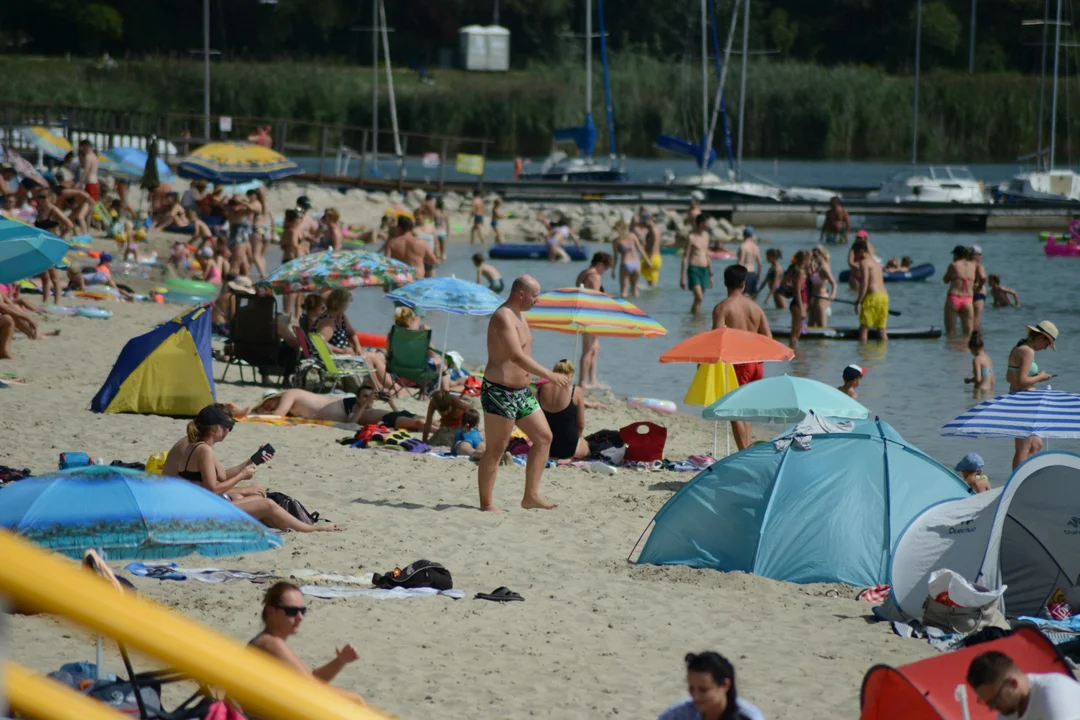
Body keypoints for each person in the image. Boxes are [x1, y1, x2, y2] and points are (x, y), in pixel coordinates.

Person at [161, 405, 337, 532]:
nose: (229, 432)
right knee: (267, 503)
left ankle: (288, 526)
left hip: (194, 507)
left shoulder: (196, 446)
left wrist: (254, 460)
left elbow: (221, 476)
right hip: (200, 513)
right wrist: (242, 477)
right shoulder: (204, 450)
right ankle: (311, 529)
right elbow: (212, 489)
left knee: (253, 495)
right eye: (227, 428)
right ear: (215, 429)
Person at [477, 276, 569, 512]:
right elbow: (516, 356)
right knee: (497, 448)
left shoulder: (521, 315)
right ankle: (486, 504)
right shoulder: (502, 316)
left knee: (544, 437)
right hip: (500, 391)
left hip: (521, 392)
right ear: (520, 294)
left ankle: (531, 496)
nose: (537, 300)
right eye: (534, 295)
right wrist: (549, 374)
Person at [249, 582, 366, 706]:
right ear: (271, 612)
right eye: (292, 611)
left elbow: (312, 678)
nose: (300, 617)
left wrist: (340, 660)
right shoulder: (270, 644)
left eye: (302, 611)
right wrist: (355, 700)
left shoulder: (270, 641)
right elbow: (312, 689)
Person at [712, 265, 772, 451]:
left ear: (725, 283)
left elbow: (717, 340)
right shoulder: (756, 308)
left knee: (734, 409)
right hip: (756, 363)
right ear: (744, 284)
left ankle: (743, 451)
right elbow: (768, 339)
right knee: (745, 408)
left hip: (736, 362)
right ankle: (746, 449)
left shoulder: (722, 308)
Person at [967, 649, 1080, 718]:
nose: (993, 708)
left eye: (995, 701)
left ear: (1013, 683)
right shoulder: (1008, 711)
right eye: (989, 703)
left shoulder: (1054, 694)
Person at [1007, 321, 1058, 468]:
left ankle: (1024, 474)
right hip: (1024, 401)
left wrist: (1033, 376)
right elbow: (1023, 381)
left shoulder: (1018, 347)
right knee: (1023, 449)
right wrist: (1040, 377)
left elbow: (1009, 378)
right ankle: (1017, 483)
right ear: (1041, 338)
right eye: (1047, 345)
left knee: (1036, 444)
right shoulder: (1028, 351)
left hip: (1019, 398)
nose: (1045, 348)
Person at [658, 651, 766, 720]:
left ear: (725, 685)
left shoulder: (749, 717)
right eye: (691, 688)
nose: (695, 696)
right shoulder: (679, 714)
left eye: (703, 690)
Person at [537, 359, 590, 461]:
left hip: (546, 445)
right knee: (587, 449)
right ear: (570, 374)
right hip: (568, 446)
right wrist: (579, 438)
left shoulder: (541, 389)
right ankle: (569, 459)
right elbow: (581, 424)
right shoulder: (576, 390)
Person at [576, 252, 613, 389]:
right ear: (600, 265)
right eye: (605, 268)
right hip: (590, 314)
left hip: (584, 312)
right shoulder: (595, 277)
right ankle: (583, 382)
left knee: (595, 348)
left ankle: (593, 379)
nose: (605, 272)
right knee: (588, 349)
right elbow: (596, 298)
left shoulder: (583, 273)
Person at [852, 238, 888, 343]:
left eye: (855, 253)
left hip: (873, 297)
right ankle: (883, 353)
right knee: (881, 329)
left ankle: (863, 355)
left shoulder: (864, 263)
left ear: (861, 251)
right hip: (884, 297)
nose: (854, 257)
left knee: (864, 328)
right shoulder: (876, 264)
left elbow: (865, 283)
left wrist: (859, 301)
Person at [681, 214, 714, 315]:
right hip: (693, 269)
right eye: (706, 223)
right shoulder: (691, 237)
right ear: (701, 224)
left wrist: (711, 274)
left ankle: (695, 319)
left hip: (704, 269)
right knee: (699, 297)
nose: (708, 225)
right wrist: (682, 277)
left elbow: (707, 255)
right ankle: (695, 318)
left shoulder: (706, 236)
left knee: (699, 299)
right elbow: (685, 257)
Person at [943, 245, 977, 338]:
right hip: (968, 300)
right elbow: (982, 277)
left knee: (950, 332)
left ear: (956, 255)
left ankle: (950, 351)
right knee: (968, 333)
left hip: (954, 298)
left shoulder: (954, 265)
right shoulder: (973, 266)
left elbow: (945, 280)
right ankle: (966, 351)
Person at [783, 250, 810, 348]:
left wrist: (792, 286)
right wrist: (801, 307)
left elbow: (784, 282)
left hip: (798, 303)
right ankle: (794, 353)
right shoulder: (800, 272)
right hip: (799, 303)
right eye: (808, 260)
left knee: (796, 331)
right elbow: (797, 291)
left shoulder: (794, 270)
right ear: (805, 261)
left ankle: (795, 355)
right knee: (796, 332)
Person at [612, 220, 645, 298]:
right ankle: (636, 309)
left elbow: (616, 257)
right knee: (635, 290)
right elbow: (640, 249)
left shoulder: (616, 241)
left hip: (626, 264)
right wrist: (648, 261)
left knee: (624, 292)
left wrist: (613, 270)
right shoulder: (632, 236)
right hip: (636, 264)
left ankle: (623, 309)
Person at [808, 245, 837, 328]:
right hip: (814, 298)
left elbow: (833, 283)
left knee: (822, 324)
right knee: (811, 324)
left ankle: (823, 341)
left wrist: (832, 295)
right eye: (813, 256)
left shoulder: (824, 268)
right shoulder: (817, 267)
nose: (814, 258)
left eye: (816, 256)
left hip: (821, 298)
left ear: (822, 255)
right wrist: (811, 262)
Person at [736, 227, 762, 297]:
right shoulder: (756, 247)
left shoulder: (743, 246)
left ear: (743, 235)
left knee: (743, 296)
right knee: (752, 297)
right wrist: (758, 275)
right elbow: (760, 263)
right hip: (753, 274)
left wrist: (737, 276)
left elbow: (741, 262)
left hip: (745, 274)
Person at [970, 244, 989, 330]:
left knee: (968, 323)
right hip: (978, 293)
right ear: (976, 255)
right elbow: (983, 277)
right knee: (975, 323)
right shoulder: (978, 266)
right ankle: (976, 341)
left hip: (967, 294)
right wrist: (980, 285)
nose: (981, 257)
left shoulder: (966, 265)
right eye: (980, 254)